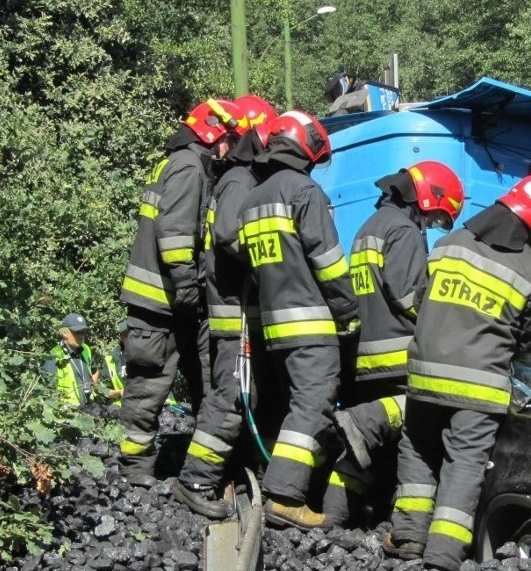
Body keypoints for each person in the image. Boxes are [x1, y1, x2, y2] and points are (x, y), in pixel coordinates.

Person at [384, 174, 531, 570]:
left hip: (423, 377)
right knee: (463, 465)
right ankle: (443, 557)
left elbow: (420, 300)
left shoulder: (447, 245)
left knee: (417, 452)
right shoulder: (529, 272)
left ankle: (408, 539)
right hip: (480, 387)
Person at [320, 161, 465, 529]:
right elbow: (408, 296)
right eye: (434, 219)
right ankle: (404, 523)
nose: (430, 227)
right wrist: (443, 321)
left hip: (365, 356)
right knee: (415, 438)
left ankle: (335, 515)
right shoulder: (403, 230)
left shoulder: (370, 227)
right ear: (427, 198)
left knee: (363, 449)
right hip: (397, 359)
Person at [117, 98, 247, 488]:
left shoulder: (176, 162)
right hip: (162, 300)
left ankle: (149, 463)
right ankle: (135, 467)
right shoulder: (190, 167)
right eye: (227, 139)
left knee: (170, 380)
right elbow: (174, 235)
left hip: (163, 300)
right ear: (212, 133)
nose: (229, 148)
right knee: (150, 385)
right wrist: (188, 286)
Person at [238, 110, 359, 529]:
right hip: (311, 326)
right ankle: (285, 497)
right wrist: (348, 312)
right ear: (306, 148)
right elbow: (327, 262)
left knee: (286, 408)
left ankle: (273, 480)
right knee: (312, 407)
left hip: (273, 327)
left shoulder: (253, 197)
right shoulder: (303, 191)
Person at [172, 95, 277, 519]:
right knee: (232, 395)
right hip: (234, 313)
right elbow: (232, 238)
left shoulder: (231, 177)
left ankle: (234, 467)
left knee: (239, 393)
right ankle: (196, 479)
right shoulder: (238, 181)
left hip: (234, 311)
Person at [43, 313, 96, 407]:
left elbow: (95, 370)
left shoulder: (86, 349)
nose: (81, 336)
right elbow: (48, 389)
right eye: (77, 332)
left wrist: (92, 387)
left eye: (83, 332)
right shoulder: (55, 355)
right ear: (64, 333)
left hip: (89, 408)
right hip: (68, 413)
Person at [95, 320, 127, 408]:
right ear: (121, 337)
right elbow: (102, 390)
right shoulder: (110, 360)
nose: (131, 337)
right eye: (126, 334)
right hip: (123, 407)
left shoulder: (149, 355)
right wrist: (120, 392)